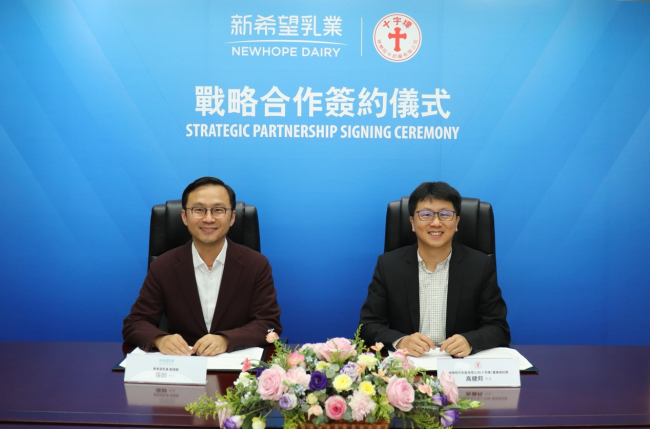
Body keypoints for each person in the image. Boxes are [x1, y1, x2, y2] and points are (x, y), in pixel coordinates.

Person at [123, 177, 282, 356]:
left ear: (232, 217)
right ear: (184, 217)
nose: (208, 218)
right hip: (183, 363)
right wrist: (160, 339)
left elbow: (269, 323)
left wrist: (226, 339)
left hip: (235, 366)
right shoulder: (163, 266)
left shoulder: (256, 264)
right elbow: (135, 323)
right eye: (198, 210)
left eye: (218, 210)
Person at [359, 182, 509, 357]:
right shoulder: (389, 265)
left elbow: (499, 327)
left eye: (445, 214)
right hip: (408, 365)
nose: (436, 223)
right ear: (412, 222)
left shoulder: (480, 266)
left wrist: (470, 341)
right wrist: (401, 341)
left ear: (457, 222)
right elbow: (368, 326)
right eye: (426, 215)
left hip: (459, 364)